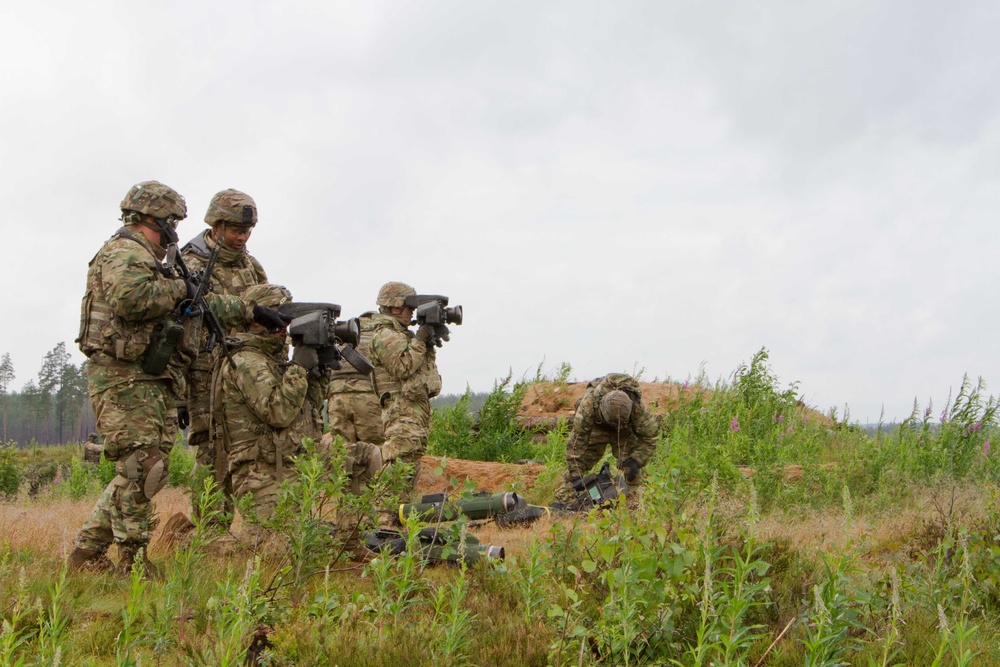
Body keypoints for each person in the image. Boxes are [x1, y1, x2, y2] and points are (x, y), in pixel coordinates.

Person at [68, 180, 253, 574]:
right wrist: (178, 288)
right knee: (145, 466)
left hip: (150, 377)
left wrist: (246, 310)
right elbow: (132, 300)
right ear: (160, 219)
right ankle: (131, 560)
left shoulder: (153, 259)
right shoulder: (125, 252)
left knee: (141, 468)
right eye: (173, 222)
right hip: (123, 376)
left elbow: (195, 302)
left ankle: (86, 553)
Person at [180, 189, 272, 528]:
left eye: (247, 231)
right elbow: (192, 309)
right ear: (216, 225)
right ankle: (209, 530)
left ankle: (252, 525)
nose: (242, 237)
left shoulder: (251, 266)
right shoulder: (193, 263)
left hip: (245, 370)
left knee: (247, 446)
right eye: (236, 229)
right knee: (211, 449)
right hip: (206, 370)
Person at [367, 282, 443, 490]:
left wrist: (428, 340)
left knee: (408, 471)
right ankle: (384, 515)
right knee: (397, 469)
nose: (412, 312)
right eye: (409, 307)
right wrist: (421, 339)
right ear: (395, 307)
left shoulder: (401, 335)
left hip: (412, 414)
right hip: (401, 414)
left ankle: (395, 518)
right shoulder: (385, 335)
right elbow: (403, 366)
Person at [554, 373, 661, 504]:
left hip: (624, 430)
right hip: (597, 427)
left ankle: (632, 503)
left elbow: (650, 436)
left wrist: (637, 460)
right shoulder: (587, 407)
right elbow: (576, 443)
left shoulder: (638, 408)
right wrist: (576, 473)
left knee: (630, 467)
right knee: (580, 463)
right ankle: (564, 500)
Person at [327, 311, 384, 446]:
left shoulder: (340, 337)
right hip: (367, 397)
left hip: (336, 398)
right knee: (375, 447)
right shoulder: (379, 335)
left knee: (342, 450)